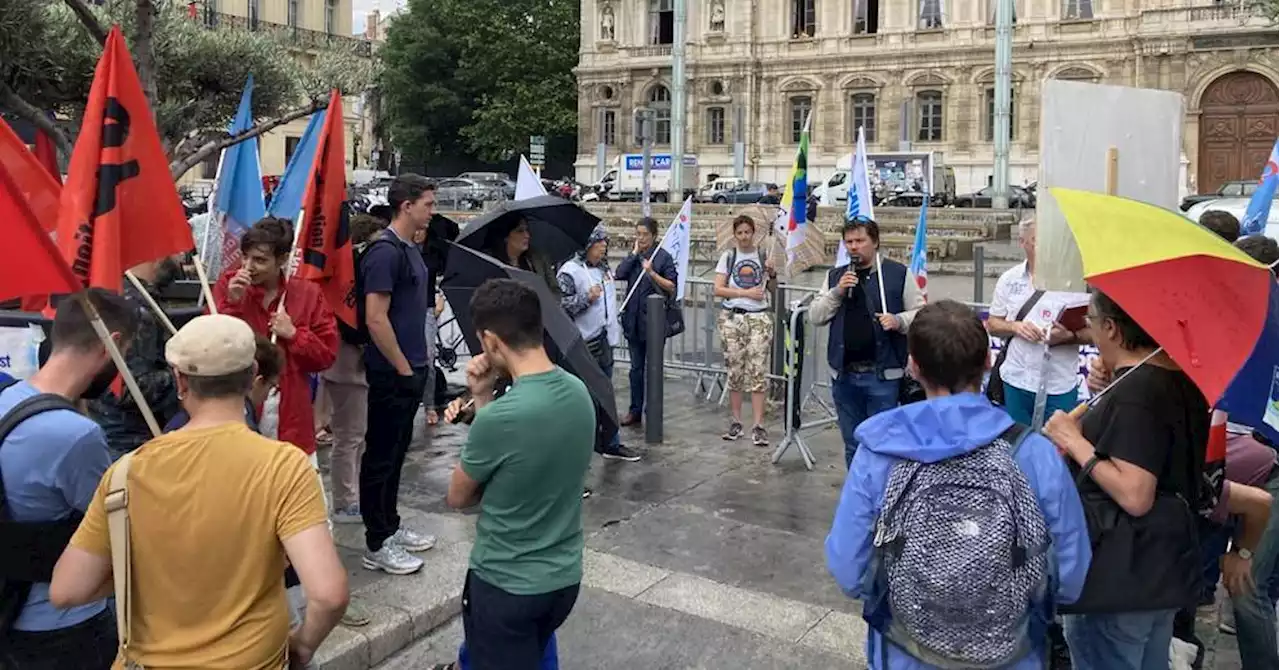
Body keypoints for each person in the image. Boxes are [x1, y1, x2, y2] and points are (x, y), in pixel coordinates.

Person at [49, 314, 350, 669]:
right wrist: (302, 647)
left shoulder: (126, 473)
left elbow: (67, 590)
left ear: (180, 379)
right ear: (253, 373)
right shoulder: (284, 466)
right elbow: (328, 595)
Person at [826, 300, 1090, 669]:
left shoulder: (880, 452)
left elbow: (847, 568)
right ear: (986, 362)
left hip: (903, 652)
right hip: (1011, 654)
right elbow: (1070, 574)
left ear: (913, 366)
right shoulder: (1033, 454)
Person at [1043, 289, 1209, 669]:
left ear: (1113, 329)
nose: (1092, 333)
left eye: (1092, 324)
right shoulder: (1173, 379)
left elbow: (1136, 494)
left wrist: (1073, 439)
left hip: (1120, 572)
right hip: (1160, 567)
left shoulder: (1138, 392)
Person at [440, 279, 593, 670]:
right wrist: (485, 399)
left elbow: (459, 496)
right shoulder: (579, 393)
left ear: (491, 341)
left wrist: (483, 399)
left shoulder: (500, 419)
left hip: (505, 583)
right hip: (562, 578)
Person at [0, 289, 136, 670]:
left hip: (9, 616)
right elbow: (112, 530)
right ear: (113, 345)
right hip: (64, 624)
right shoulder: (76, 435)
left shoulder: (6, 397)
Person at [360, 174, 438, 575]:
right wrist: (404, 367)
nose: (432, 209)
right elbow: (375, 318)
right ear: (406, 205)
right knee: (381, 455)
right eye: (427, 203)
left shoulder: (410, 249)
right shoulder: (385, 252)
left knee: (396, 454)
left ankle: (390, 524)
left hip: (411, 368)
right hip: (393, 372)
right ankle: (376, 541)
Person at [213, 216, 339, 457]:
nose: (248, 267)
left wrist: (294, 335)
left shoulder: (307, 293)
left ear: (282, 260)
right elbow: (212, 346)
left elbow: (326, 356)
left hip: (291, 417)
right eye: (245, 257)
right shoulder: (227, 286)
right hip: (237, 409)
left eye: (259, 260)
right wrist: (232, 303)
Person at [809, 216, 924, 467]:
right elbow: (815, 315)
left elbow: (921, 314)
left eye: (860, 240)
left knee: (882, 444)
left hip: (883, 376)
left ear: (875, 243)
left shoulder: (897, 274)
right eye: (849, 241)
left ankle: (884, 498)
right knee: (852, 443)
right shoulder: (835, 277)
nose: (853, 246)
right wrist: (837, 292)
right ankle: (858, 498)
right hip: (844, 375)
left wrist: (898, 320)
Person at [986, 218, 1091, 426]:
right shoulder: (1009, 279)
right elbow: (993, 324)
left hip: (1059, 384)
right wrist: (1015, 327)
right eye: (1035, 240)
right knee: (1019, 448)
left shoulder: (1076, 281)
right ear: (1022, 242)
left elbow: (1096, 333)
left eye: (1046, 240)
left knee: (1056, 449)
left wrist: (1070, 337)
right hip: (1016, 380)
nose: (1042, 246)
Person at [88, 256, 184, 460]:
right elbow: (130, 387)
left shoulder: (113, 296)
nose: (182, 258)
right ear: (159, 253)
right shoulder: (138, 311)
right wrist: (183, 374)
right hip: (129, 441)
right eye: (177, 252)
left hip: (106, 432)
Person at [557, 225, 639, 462]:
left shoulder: (603, 269)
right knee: (588, 399)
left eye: (605, 242)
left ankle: (611, 443)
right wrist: (585, 299)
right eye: (599, 242)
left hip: (606, 340)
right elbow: (560, 306)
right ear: (587, 245)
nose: (604, 246)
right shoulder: (570, 271)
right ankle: (586, 444)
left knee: (606, 395)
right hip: (584, 343)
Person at [328, 214, 385, 524]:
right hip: (346, 360)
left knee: (354, 434)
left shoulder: (353, 269)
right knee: (348, 434)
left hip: (350, 358)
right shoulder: (351, 275)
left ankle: (351, 496)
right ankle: (344, 501)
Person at [713, 214, 777, 446]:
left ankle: (759, 425)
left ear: (753, 233)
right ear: (734, 235)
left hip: (759, 317)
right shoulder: (728, 257)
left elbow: (772, 289)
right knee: (735, 371)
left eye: (747, 232)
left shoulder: (762, 256)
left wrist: (772, 273)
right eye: (739, 233)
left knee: (758, 371)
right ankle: (736, 421)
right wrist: (745, 293)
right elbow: (718, 289)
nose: (743, 237)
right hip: (733, 316)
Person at [615, 217, 677, 428]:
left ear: (653, 235)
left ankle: (653, 411)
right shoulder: (635, 257)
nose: (640, 238)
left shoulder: (663, 258)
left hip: (654, 323)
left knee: (653, 369)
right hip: (633, 322)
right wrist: (633, 255)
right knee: (636, 369)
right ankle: (635, 410)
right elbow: (619, 274)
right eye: (638, 234)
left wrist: (652, 273)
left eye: (644, 234)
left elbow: (671, 285)